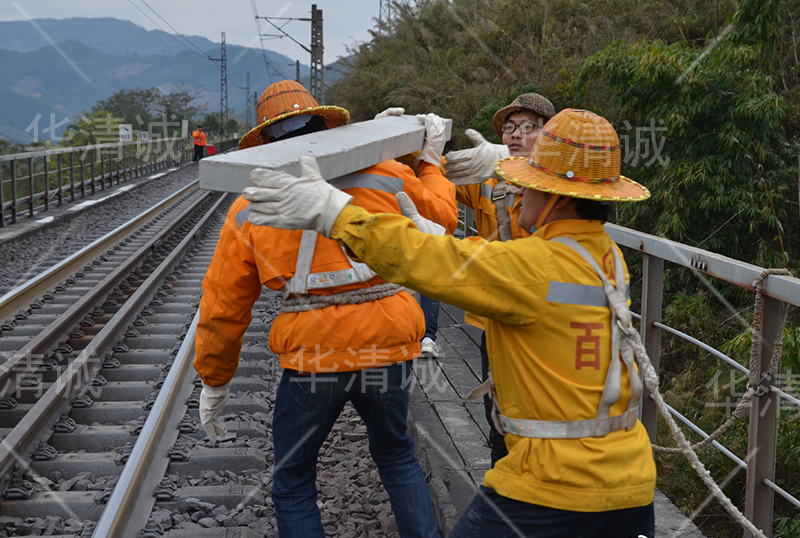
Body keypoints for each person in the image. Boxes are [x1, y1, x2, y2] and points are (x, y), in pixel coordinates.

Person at [242, 108, 657, 538]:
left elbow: (434, 264)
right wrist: (440, 236)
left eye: (528, 186)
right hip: (628, 480)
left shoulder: (535, 268)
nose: (518, 195)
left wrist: (337, 215)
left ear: (558, 199)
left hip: (554, 489)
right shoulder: (606, 257)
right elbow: (500, 266)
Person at [194, 80, 457, 538]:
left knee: (293, 478)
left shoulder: (249, 205)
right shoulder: (386, 172)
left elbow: (223, 306)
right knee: (397, 455)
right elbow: (441, 220)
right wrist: (429, 162)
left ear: (265, 141)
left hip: (314, 358)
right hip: (389, 344)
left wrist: (215, 379)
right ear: (325, 126)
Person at [443, 92, 555, 466]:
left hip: (548, 321)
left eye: (528, 127)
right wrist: (425, 158)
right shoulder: (487, 177)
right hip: (498, 322)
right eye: (509, 127)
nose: (515, 135)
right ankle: (505, 500)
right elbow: (440, 186)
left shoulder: (564, 184)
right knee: (500, 420)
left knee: (546, 419)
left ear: (549, 135)